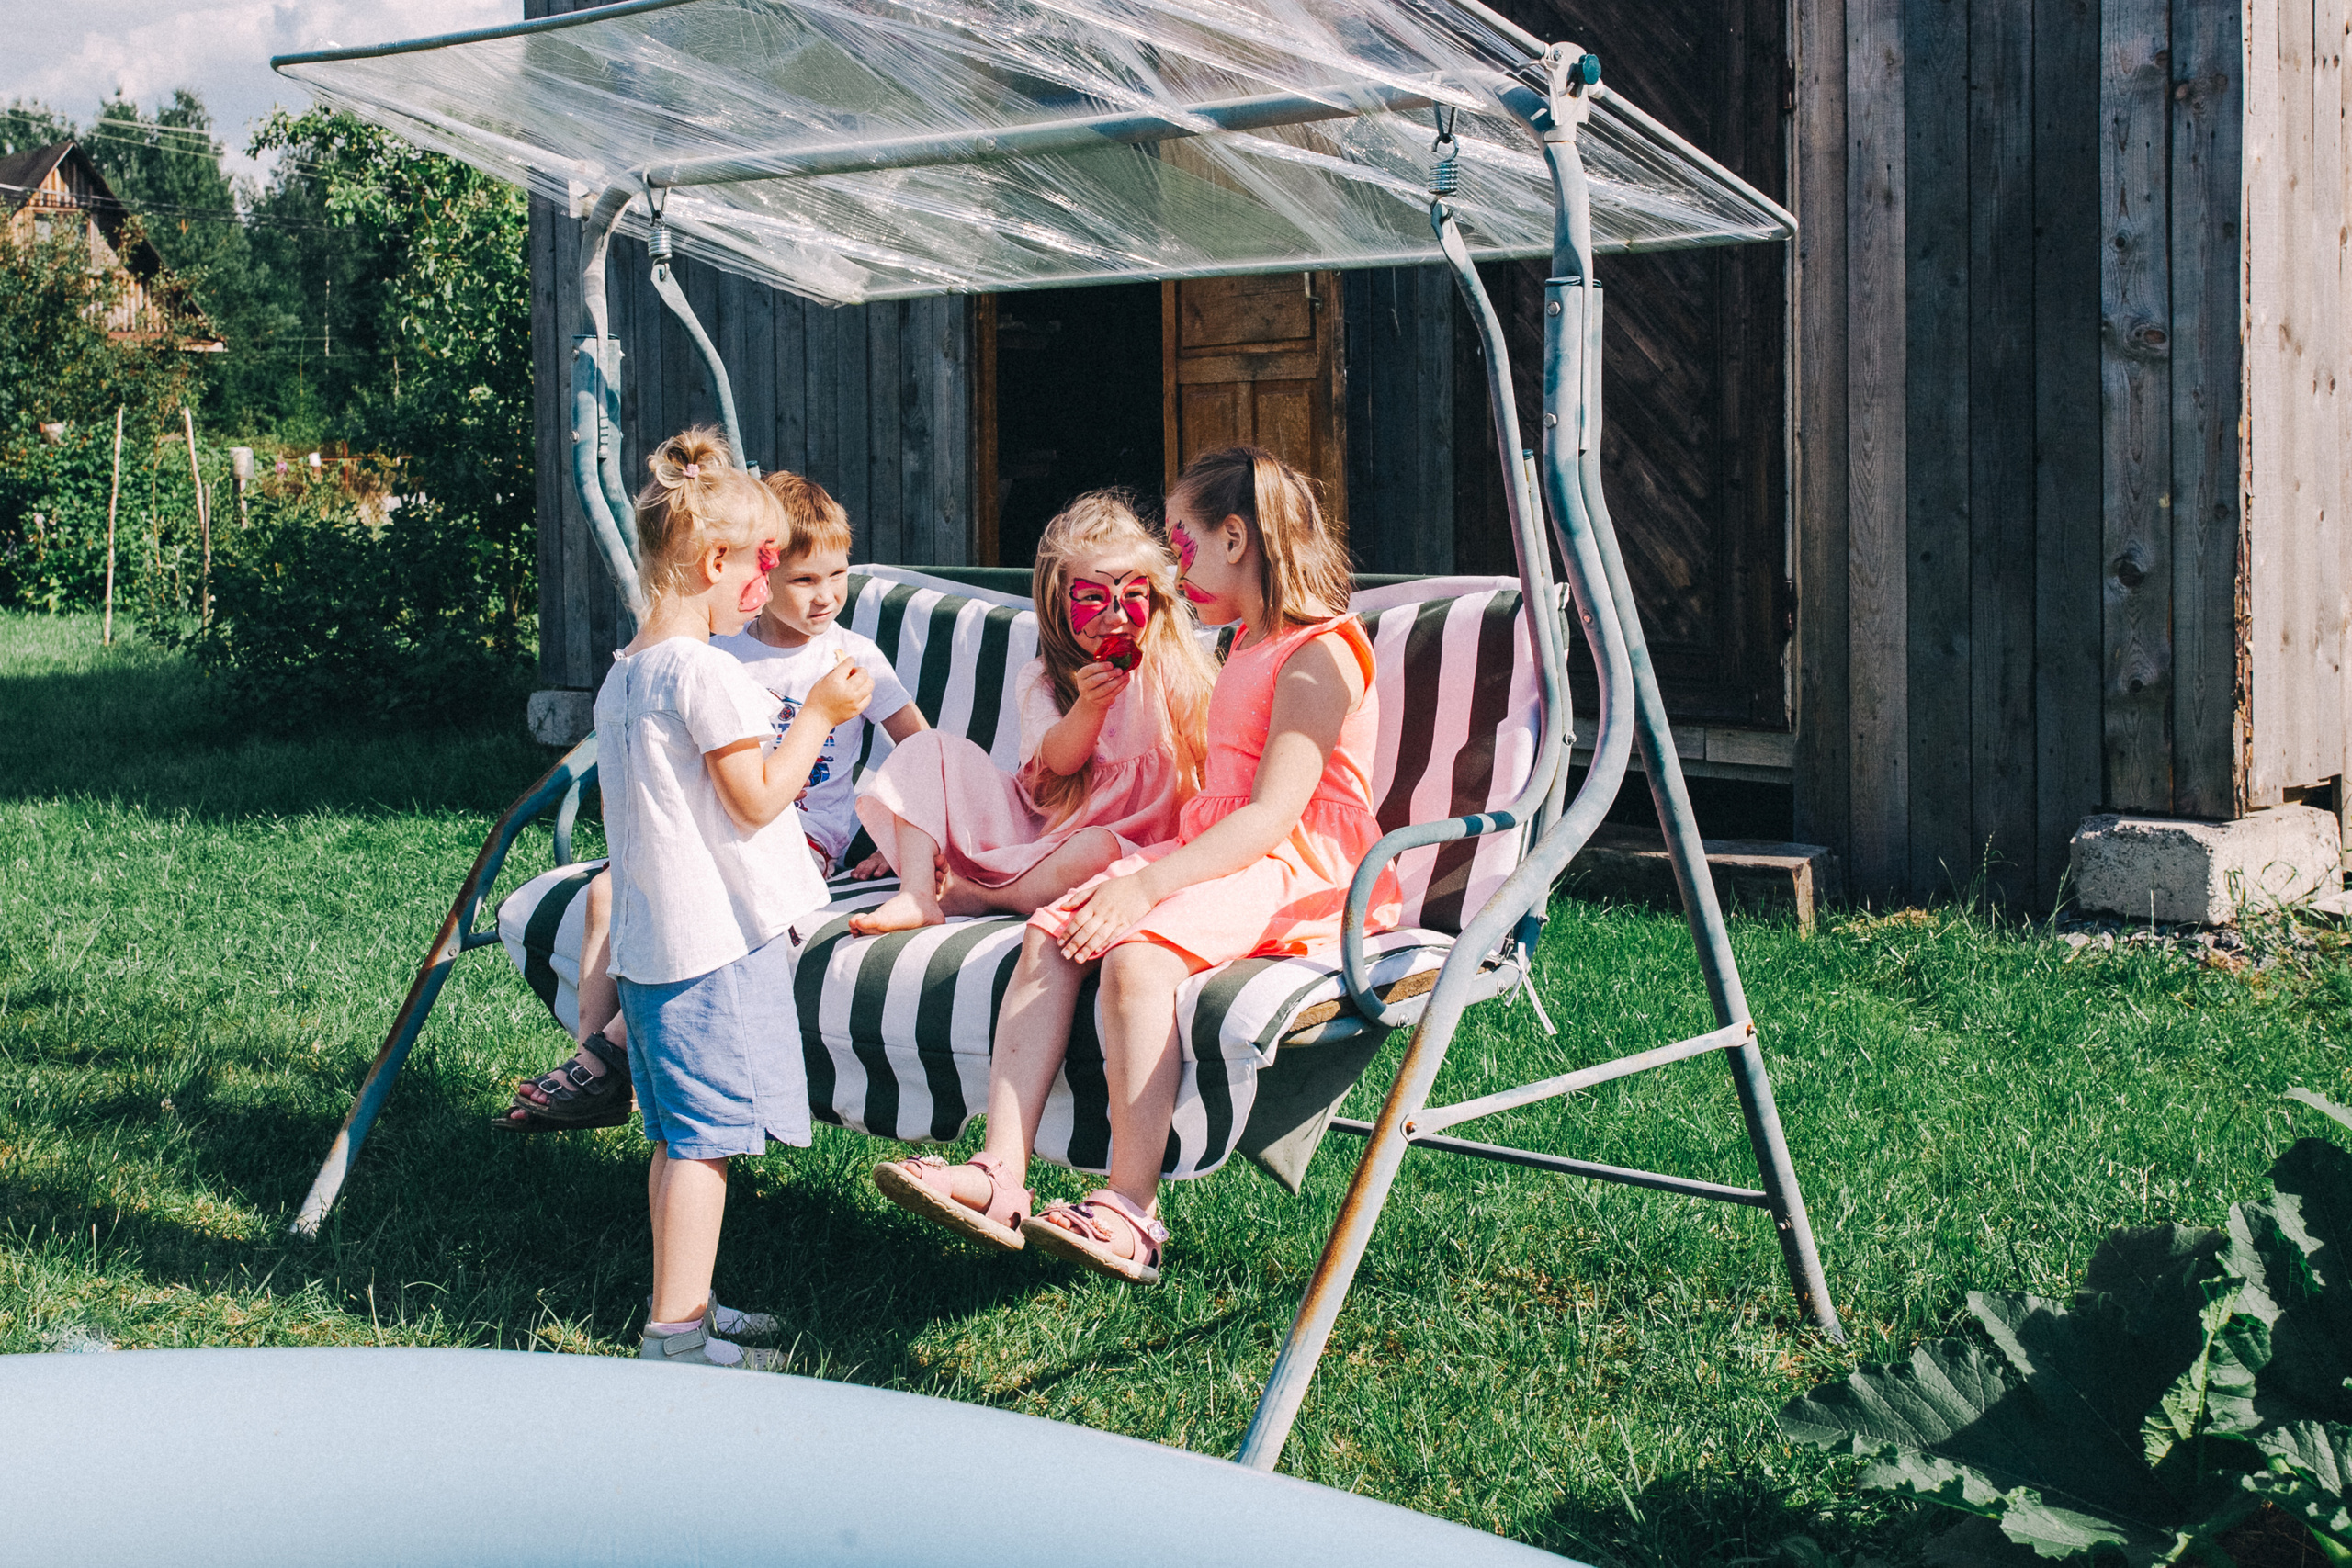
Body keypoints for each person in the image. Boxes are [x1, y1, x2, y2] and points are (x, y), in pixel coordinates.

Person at [870, 446, 1401, 1284]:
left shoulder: (1319, 653)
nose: (1174, 570)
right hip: (1227, 848)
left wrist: (1149, 884)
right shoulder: (1248, 640)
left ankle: (1131, 1207)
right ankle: (999, 1170)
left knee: (1135, 956)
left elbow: (1272, 816)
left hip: (1300, 867)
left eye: (1181, 545)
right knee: (1057, 931)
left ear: (1236, 539)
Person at [499, 468, 924, 1132]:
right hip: (706, 831)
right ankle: (597, 1064)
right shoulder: (717, 654)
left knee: (700, 909)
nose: (825, 596)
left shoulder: (852, 656)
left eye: (838, 575)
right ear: (753, 570)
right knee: (607, 892)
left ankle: (610, 1055)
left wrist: (894, 839)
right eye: (802, 579)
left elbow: (921, 751)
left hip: (800, 838)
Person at [592, 427, 872, 1368]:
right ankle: (675, 1337)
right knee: (705, 1143)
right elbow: (756, 798)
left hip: (651, 942)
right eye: (763, 563)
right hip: (711, 945)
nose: (766, 584)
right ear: (717, 562)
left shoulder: (626, 673)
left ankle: (688, 1304)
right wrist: (820, 715)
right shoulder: (706, 672)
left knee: (676, 1137)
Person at [846, 491, 1215, 935]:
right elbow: (1061, 761)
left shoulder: (1167, 667)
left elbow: (1208, 751)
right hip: (1037, 828)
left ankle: (983, 897)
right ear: (1058, 602)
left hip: (1126, 847)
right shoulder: (1042, 679)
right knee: (926, 747)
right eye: (1093, 597)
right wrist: (1090, 706)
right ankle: (918, 892)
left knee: (1095, 849)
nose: (1116, 616)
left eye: (1133, 594)